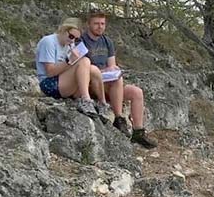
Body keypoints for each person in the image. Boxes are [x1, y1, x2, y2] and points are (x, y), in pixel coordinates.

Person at [82, 10, 157, 148]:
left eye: (102, 24)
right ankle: (118, 118)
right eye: (96, 24)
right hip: (91, 83)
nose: (100, 27)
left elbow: (112, 65)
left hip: (108, 83)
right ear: (89, 24)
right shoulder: (82, 40)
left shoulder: (107, 42)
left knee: (136, 92)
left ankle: (138, 132)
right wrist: (106, 71)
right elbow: (84, 67)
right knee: (117, 80)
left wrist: (113, 70)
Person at [35, 18, 109, 121]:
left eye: (76, 39)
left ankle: (102, 104)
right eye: (71, 36)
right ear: (63, 30)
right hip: (49, 84)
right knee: (84, 61)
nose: (72, 40)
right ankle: (86, 100)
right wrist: (69, 61)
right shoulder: (48, 42)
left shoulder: (69, 44)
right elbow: (50, 72)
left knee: (93, 69)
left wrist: (73, 60)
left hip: (63, 81)